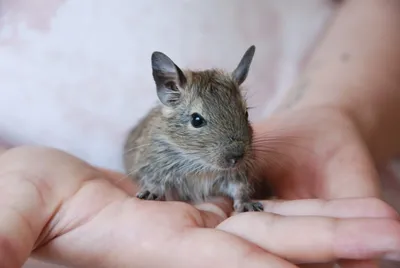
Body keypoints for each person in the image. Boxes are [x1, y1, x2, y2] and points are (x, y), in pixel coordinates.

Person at [1, 0, 400, 267]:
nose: (234, 150)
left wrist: (334, 109)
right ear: (167, 91)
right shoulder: (158, 138)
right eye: (198, 122)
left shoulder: (239, 146)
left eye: (243, 118)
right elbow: (143, 165)